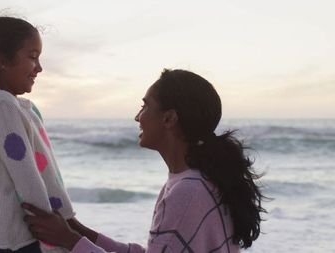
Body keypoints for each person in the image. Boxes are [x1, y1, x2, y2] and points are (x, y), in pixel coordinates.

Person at [22, 69, 265, 252]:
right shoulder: (194, 180)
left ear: (169, 118)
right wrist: (81, 232)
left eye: (145, 106)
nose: (137, 117)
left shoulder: (188, 191)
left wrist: (70, 241)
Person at [0, 16, 74, 253]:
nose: (39, 67)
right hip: (20, 239)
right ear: (2, 61)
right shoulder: (3, 107)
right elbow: (28, 180)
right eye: (32, 57)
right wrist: (57, 242)